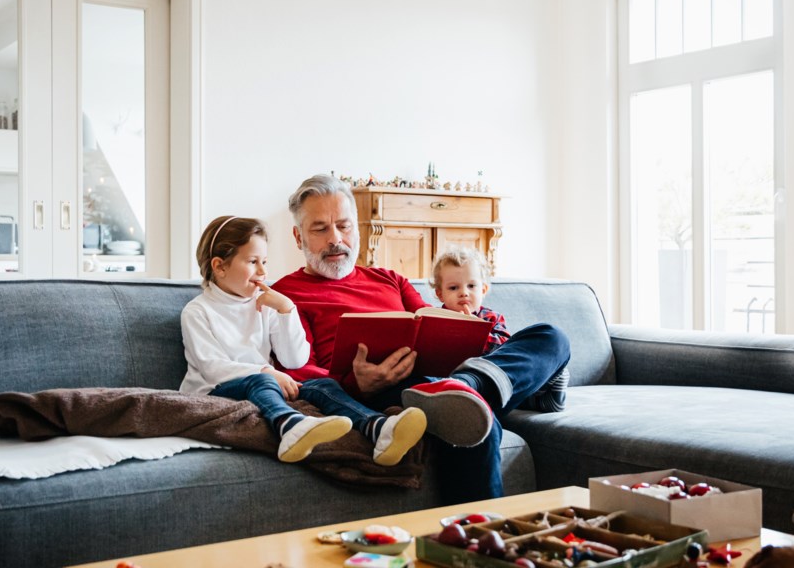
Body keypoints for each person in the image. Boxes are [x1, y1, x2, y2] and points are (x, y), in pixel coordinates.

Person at [272, 174, 571, 500]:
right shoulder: (284, 296)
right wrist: (358, 384)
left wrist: (462, 330)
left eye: (344, 226)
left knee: (551, 337)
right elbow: (301, 373)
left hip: (442, 378)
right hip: (384, 392)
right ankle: (474, 537)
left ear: (357, 228)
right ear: (298, 237)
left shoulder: (390, 279)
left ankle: (471, 386)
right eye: (320, 229)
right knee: (473, 424)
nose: (335, 239)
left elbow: (432, 324)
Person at [179, 215, 427, 466]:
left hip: (266, 384)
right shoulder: (198, 312)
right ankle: (289, 426)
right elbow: (212, 368)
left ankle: (378, 427)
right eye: (253, 262)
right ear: (220, 267)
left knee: (322, 385)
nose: (263, 272)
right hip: (215, 391)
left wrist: (287, 311)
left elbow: (294, 358)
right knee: (263, 380)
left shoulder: (265, 304)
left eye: (264, 261)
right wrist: (266, 371)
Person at [430, 246, 569, 413]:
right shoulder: (435, 319)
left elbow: (505, 349)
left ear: (483, 290)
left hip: (491, 375)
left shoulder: (491, 318)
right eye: (453, 288)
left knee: (550, 336)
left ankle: (542, 394)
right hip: (447, 377)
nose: (464, 293)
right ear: (440, 294)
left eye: (471, 286)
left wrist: (476, 332)